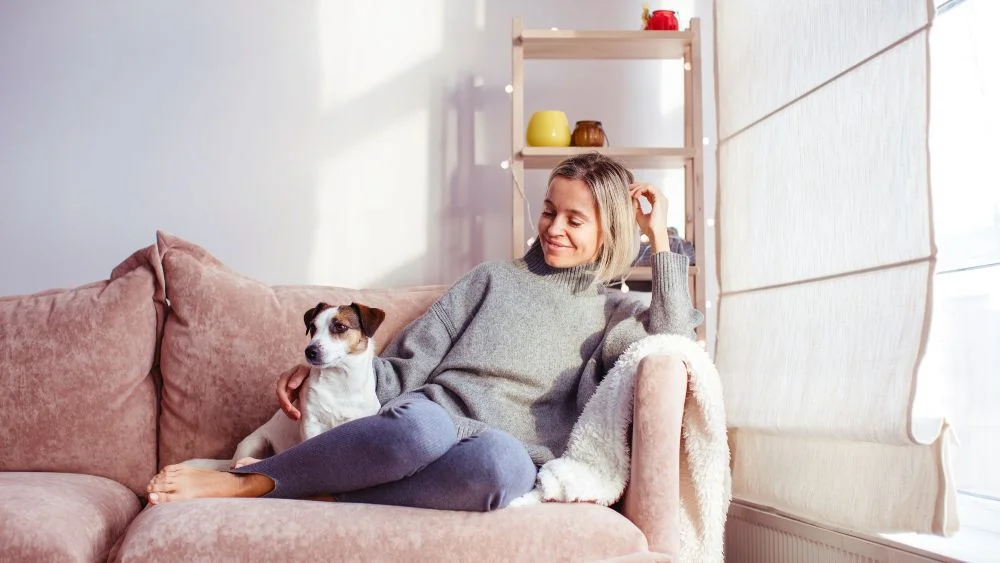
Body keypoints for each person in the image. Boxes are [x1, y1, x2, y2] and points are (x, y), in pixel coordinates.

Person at [145, 152, 704, 511]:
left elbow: (675, 339)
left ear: (610, 229)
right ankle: (254, 482)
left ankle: (329, 486)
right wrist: (329, 364)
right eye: (548, 211)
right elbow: (406, 363)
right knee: (419, 432)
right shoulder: (491, 279)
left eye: (574, 220)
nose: (553, 229)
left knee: (501, 473)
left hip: (492, 449)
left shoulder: (613, 315)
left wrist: (657, 237)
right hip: (423, 424)